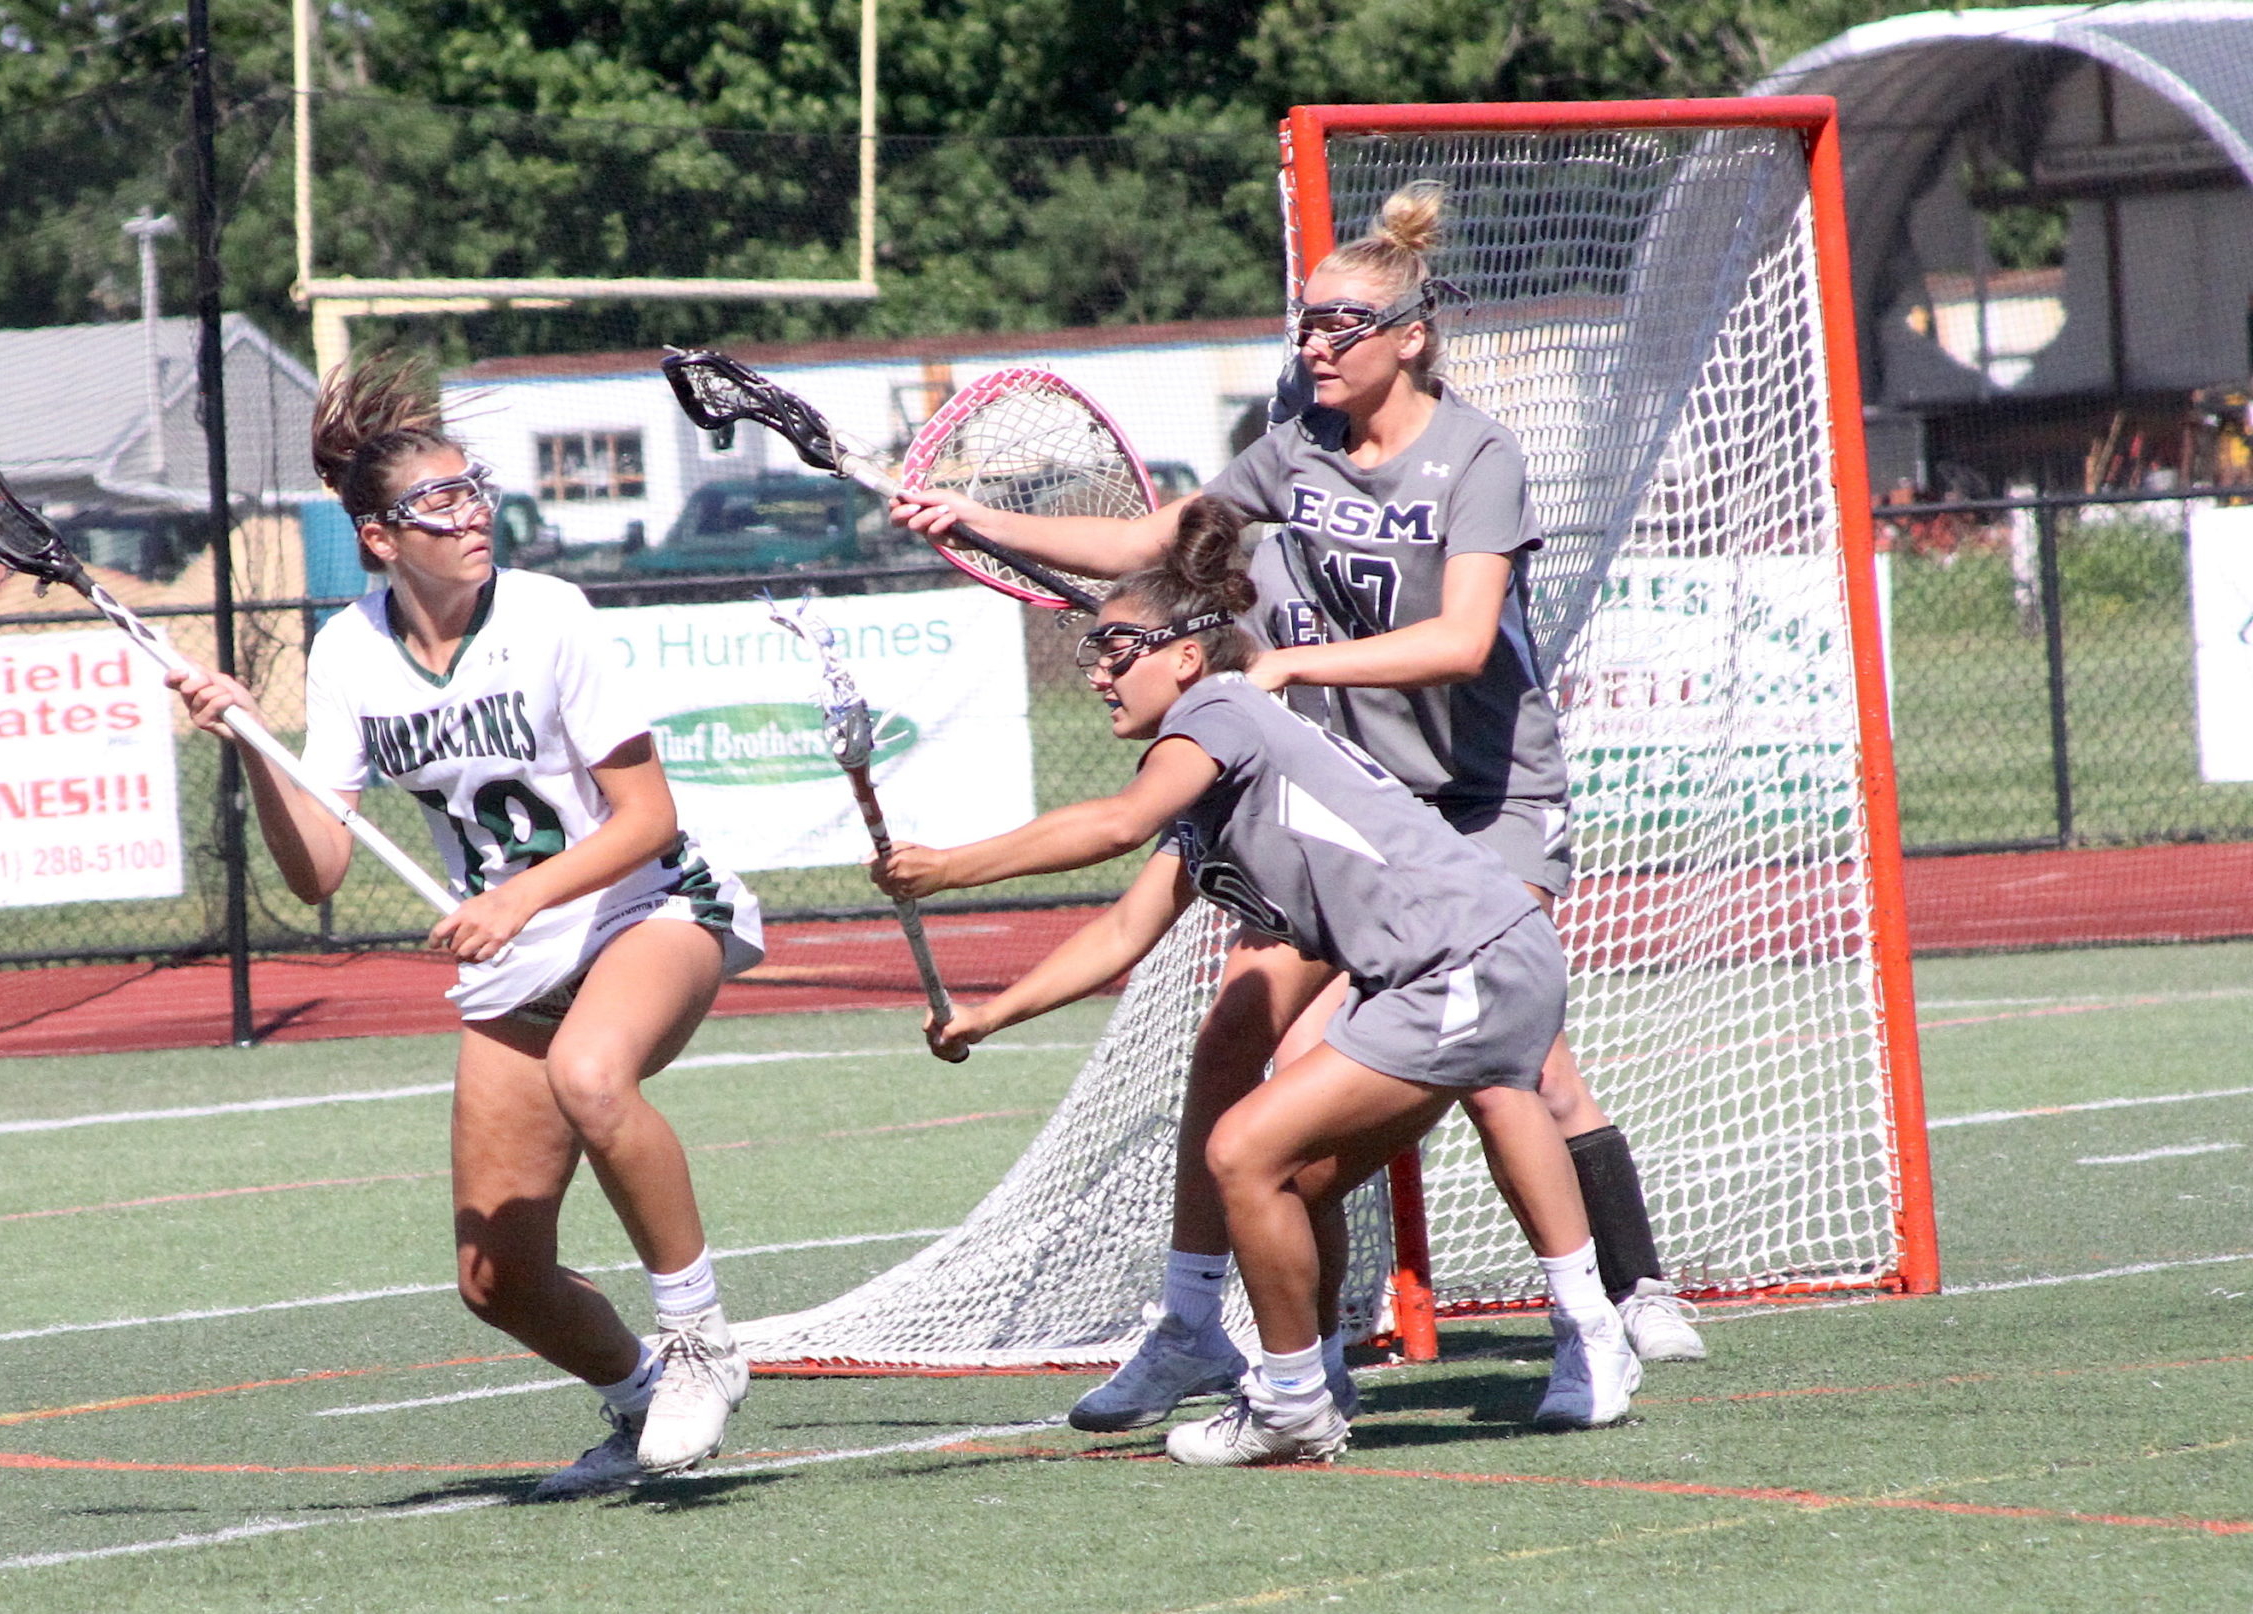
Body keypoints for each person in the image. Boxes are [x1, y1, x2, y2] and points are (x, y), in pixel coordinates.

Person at [889, 183, 1702, 1433]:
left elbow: (1461, 638)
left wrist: (1288, 667)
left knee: (1506, 1063)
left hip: (1485, 799)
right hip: (1359, 804)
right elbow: (1166, 542)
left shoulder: (1474, 454)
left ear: (1410, 334)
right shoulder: (1295, 448)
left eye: (1341, 325)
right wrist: (971, 516)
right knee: (1236, 1034)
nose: (1314, 345)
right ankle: (1192, 1325)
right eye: (1304, 325)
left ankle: (1602, 1310)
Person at [872, 511, 1640, 1464]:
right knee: (1298, 1177)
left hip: (1464, 959)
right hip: (1442, 972)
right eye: (1095, 654)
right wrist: (987, 1015)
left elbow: (1114, 824)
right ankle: (1318, 1378)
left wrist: (947, 867)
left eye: (1117, 648)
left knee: (1243, 1150)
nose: (1100, 672)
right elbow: (1121, 931)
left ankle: (1303, 1403)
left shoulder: (1221, 712)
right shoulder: (1211, 784)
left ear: (1188, 659)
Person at [166, 355, 767, 1500]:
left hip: (645, 905)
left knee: (596, 1074)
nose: (471, 514)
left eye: (472, 490)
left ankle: (700, 1343)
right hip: (522, 953)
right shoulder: (347, 652)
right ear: (380, 539)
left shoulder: (549, 615)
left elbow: (648, 818)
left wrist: (519, 898)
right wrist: (252, 748)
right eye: (437, 503)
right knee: (498, 1280)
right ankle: (640, 1401)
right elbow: (320, 870)